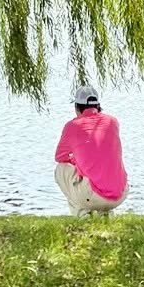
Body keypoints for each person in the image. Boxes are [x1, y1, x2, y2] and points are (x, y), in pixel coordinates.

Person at [54, 86, 128, 217]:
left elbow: (60, 157)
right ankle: (106, 213)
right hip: (120, 194)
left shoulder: (72, 126)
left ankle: (82, 214)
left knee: (61, 169)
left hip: (93, 196)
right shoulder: (113, 122)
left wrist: (77, 161)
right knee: (103, 170)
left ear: (77, 107)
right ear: (98, 106)